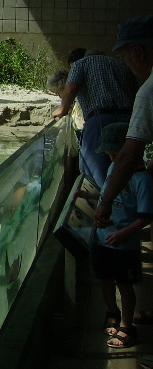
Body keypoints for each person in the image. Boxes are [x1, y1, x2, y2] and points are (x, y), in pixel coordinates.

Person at [78, 122, 153, 348]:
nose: (112, 159)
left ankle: (127, 326)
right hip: (102, 239)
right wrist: (88, 196)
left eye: (115, 154)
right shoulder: (113, 169)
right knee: (104, 279)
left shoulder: (143, 180)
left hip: (124, 245)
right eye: (109, 155)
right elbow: (105, 197)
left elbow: (146, 216)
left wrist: (124, 234)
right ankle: (112, 311)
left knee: (125, 284)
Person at [95, 15, 153, 224]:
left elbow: (129, 155)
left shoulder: (149, 90)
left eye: (124, 56)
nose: (125, 63)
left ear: (138, 52)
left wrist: (105, 203)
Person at [52, 48, 138, 187]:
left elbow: (72, 88)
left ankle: (103, 201)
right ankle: (127, 200)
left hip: (99, 119)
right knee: (127, 165)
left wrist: (63, 109)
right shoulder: (121, 65)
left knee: (92, 167)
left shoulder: (81, 64)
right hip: (127, 120)